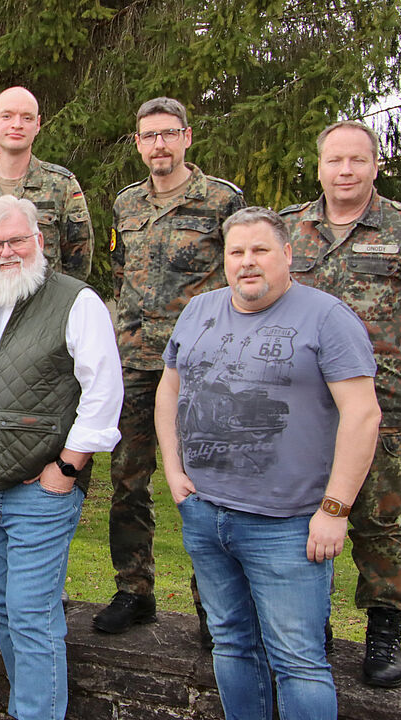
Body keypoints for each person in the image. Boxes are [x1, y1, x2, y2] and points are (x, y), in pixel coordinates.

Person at [156, 206, 381, 718]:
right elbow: (170, 389)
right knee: (231, 643)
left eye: (260, 250)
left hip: (289, 526)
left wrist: (335, 508)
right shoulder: (198, 310)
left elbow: (363, 415)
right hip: (206, 514)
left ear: (287, 255)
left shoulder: (327, 317)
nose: (247, 262)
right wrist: (173, 468)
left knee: (298, 661)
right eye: (237, 252)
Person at [280, 120, 401, 686]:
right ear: (319, 166)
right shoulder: (292, 229)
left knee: (378, 522)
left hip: (380, 405)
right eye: (334, 160)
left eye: (357, 161)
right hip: (304, 407)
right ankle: (312, 627)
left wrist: (399, 361)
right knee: (298, 520)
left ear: (374, 166)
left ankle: (384, 634)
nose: (345, 171)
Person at [0, 195, 122, 720]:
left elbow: (104, 391)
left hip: (41, 492)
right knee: (3, 607)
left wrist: (68, 467)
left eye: (16, 240)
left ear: (39, 242)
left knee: (31, 615)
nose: (6, 252)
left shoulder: (76, 301)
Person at [96, 97, 246, 637]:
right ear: (138, 144)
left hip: (202, 366)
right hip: (135, 362)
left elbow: (240, 275)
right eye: (148, 136)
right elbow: (121, 274)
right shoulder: (126, 204)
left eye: (168, 133)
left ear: (186, 137)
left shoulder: (222, 201)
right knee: (128, 481)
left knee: (208, 486)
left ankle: (215, 609)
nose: (159, 144)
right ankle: (134, 591)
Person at [0, 85, 98, 607]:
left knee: (35, 422)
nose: (16, 123)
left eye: (26, 116)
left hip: (39, 321)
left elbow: (79, 256)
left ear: (38, 124)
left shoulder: (61, 184)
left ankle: (42, 520)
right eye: (6, 115)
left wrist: (53, 313)